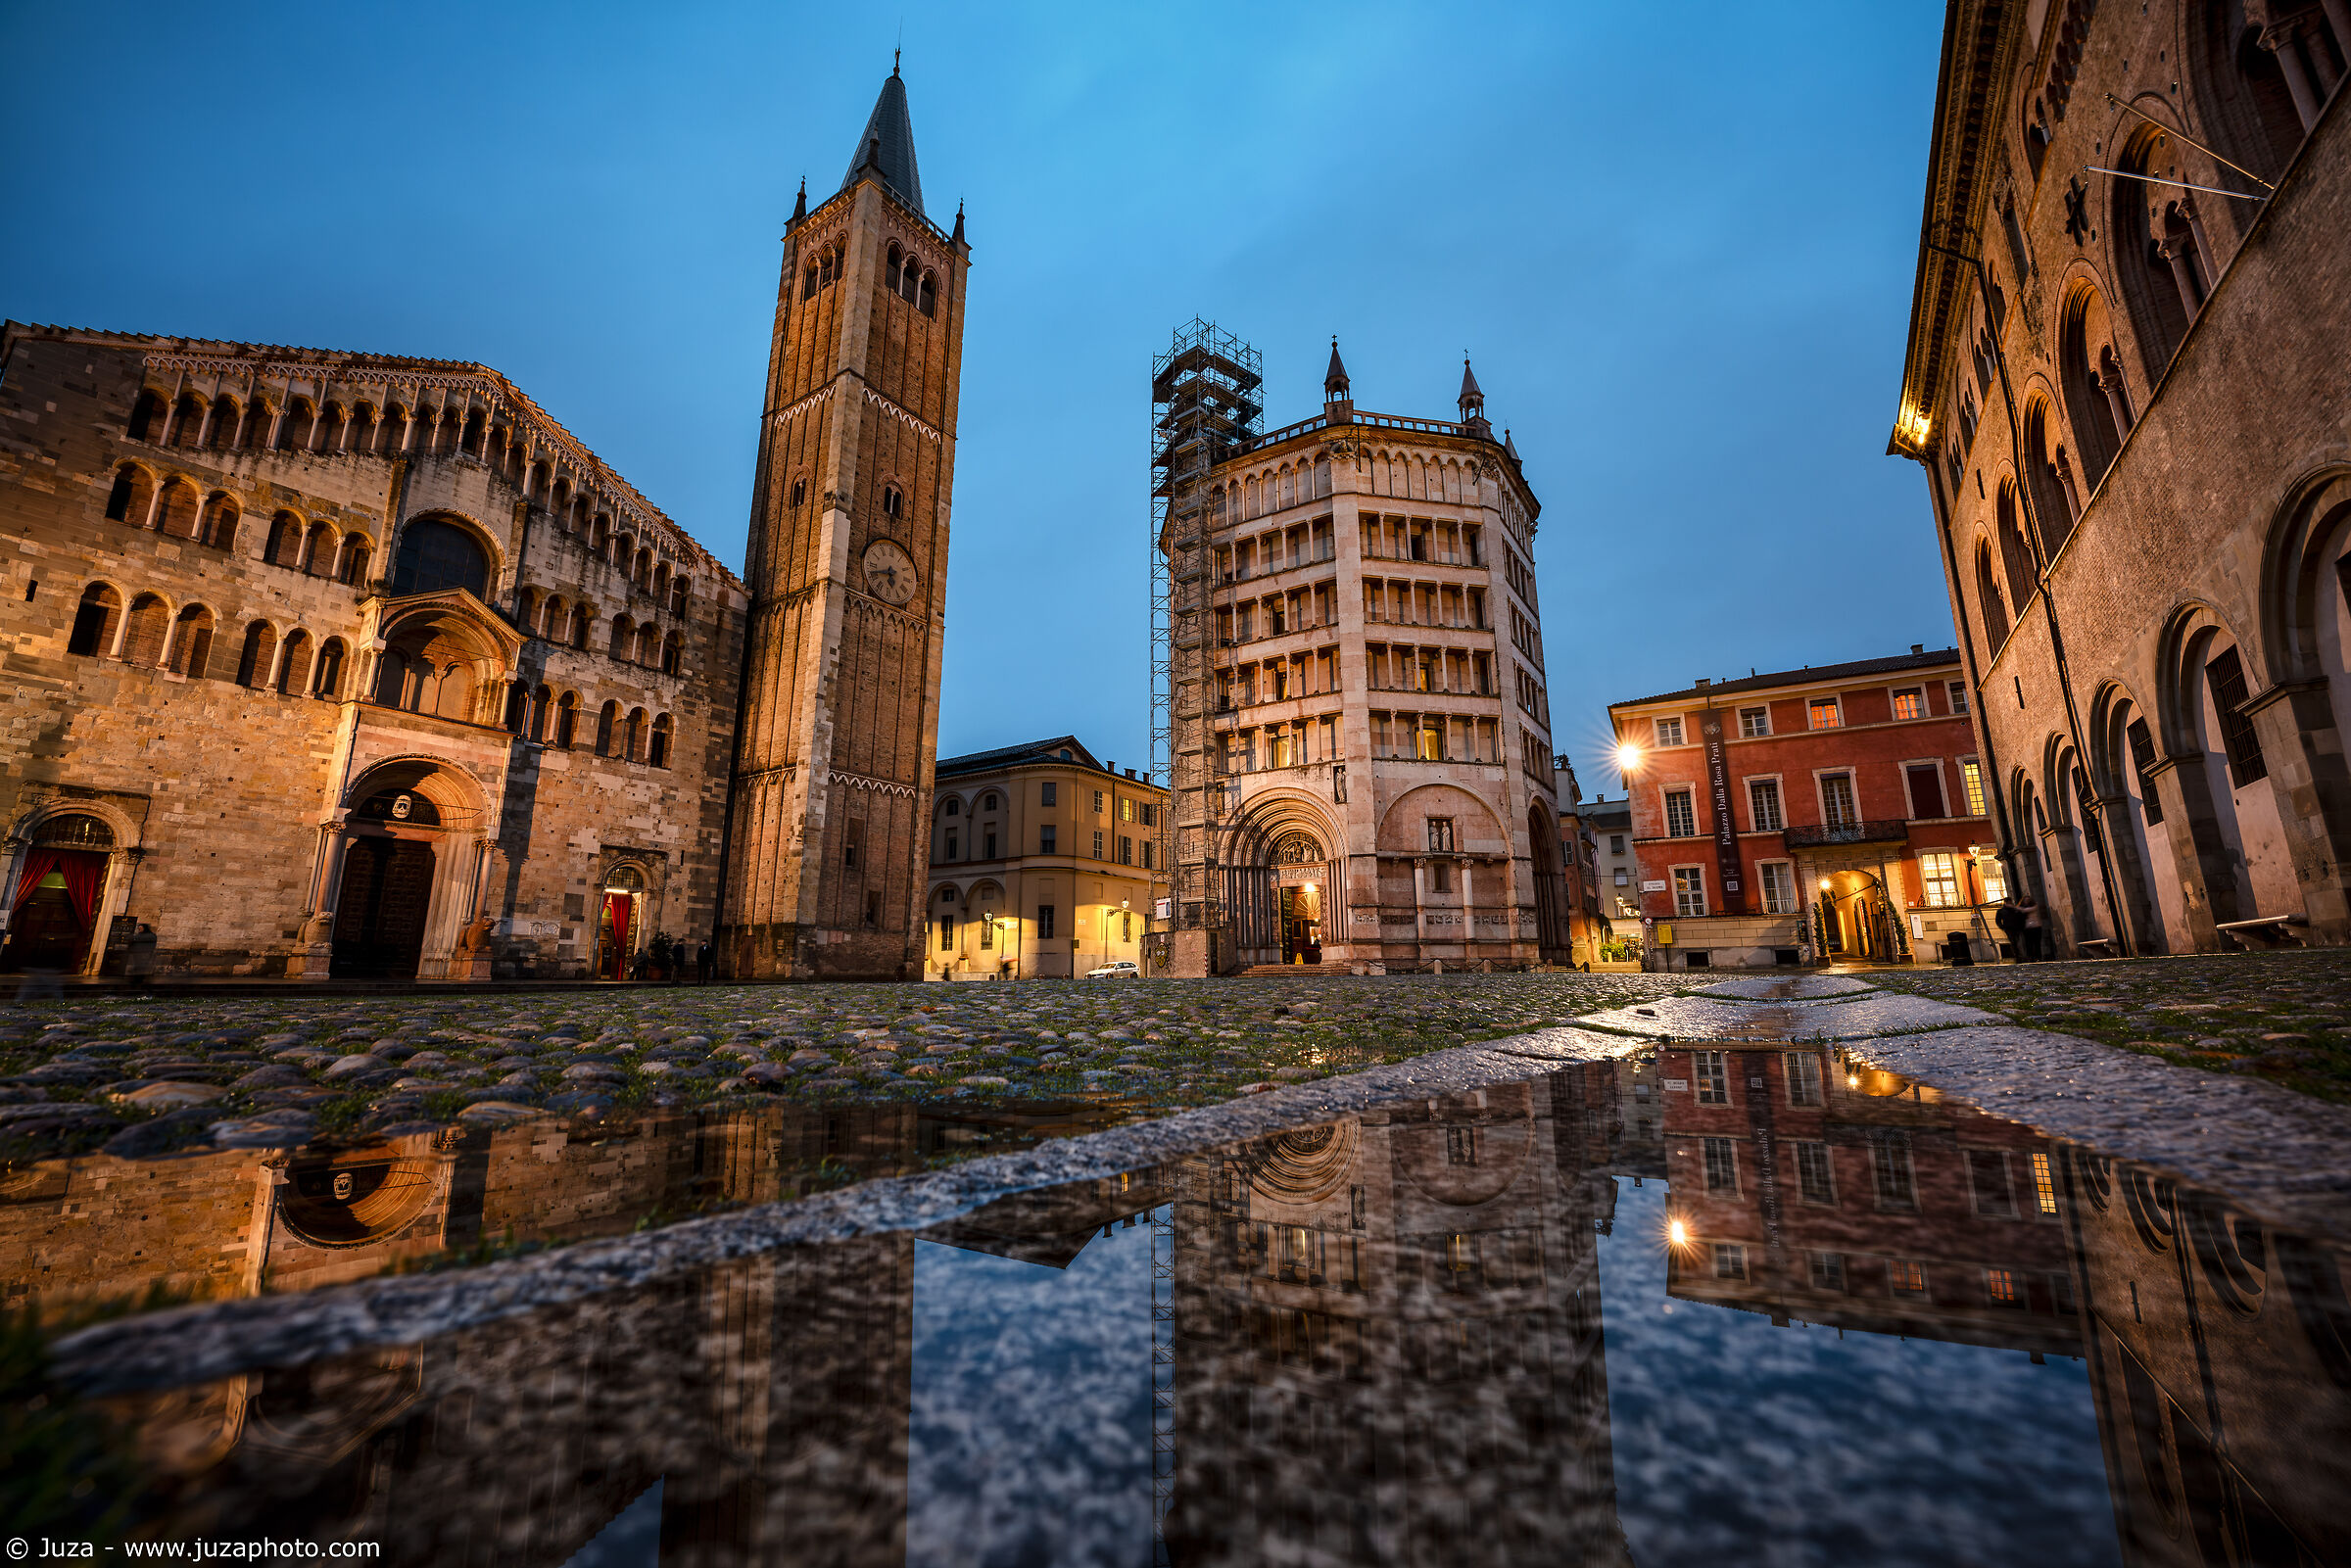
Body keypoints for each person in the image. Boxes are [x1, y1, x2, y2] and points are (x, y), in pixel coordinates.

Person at [1992, 895, 2027, 963]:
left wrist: (2022, 926)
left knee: (2018, 941)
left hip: (2017, 928)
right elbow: (1998, 920)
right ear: (2005, 903)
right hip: (2009, 928)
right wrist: (2003, 927)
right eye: (2008, 902)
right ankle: (2017, 956)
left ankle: (2021, 955)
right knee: (2013, 942)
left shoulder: (2015, 909)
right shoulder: (2001, 911)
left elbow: (2021, 917)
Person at [2018, 893, 2045, 962]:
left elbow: (2026, 910)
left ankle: (2038, 957)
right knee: (2028, 943)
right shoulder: (2021, 908)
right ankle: (2030, 957)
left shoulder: (2034, 906)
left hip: (2036, 926)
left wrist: (2014, 907)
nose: (2027, 901)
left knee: (2037, 943)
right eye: (2025, 900)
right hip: (2027, 928)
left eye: (2028, 900)